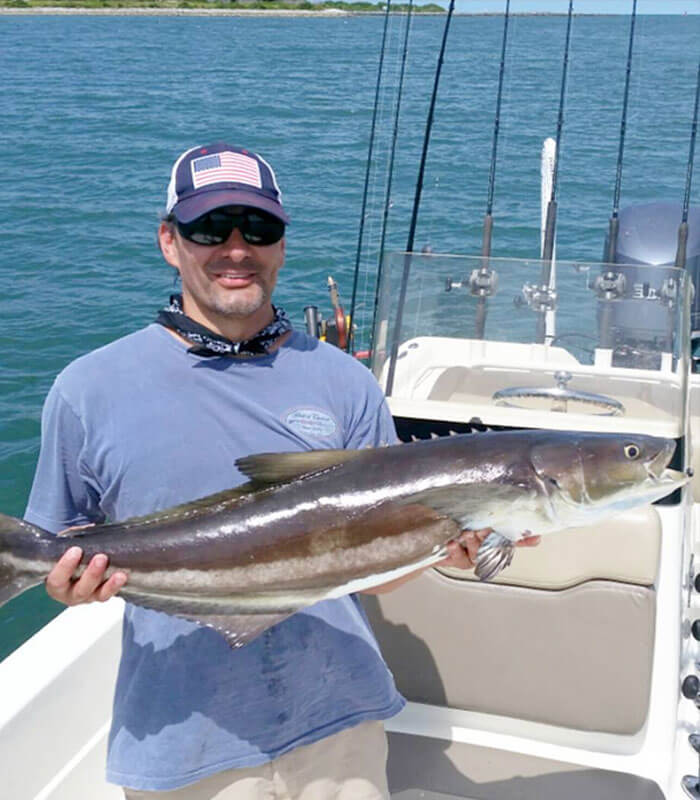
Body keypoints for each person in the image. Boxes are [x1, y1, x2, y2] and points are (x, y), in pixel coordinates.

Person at [27, 142, 536, 800]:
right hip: (184, 738)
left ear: (282, 245)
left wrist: (448, 548)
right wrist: (64, 585)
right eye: (211, 228)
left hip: (339, 721)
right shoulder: (87, 390)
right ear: (169, 241)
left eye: (258, 229)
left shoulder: (345, 382)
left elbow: (374, 569)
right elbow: (48, 549)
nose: (236, 248)